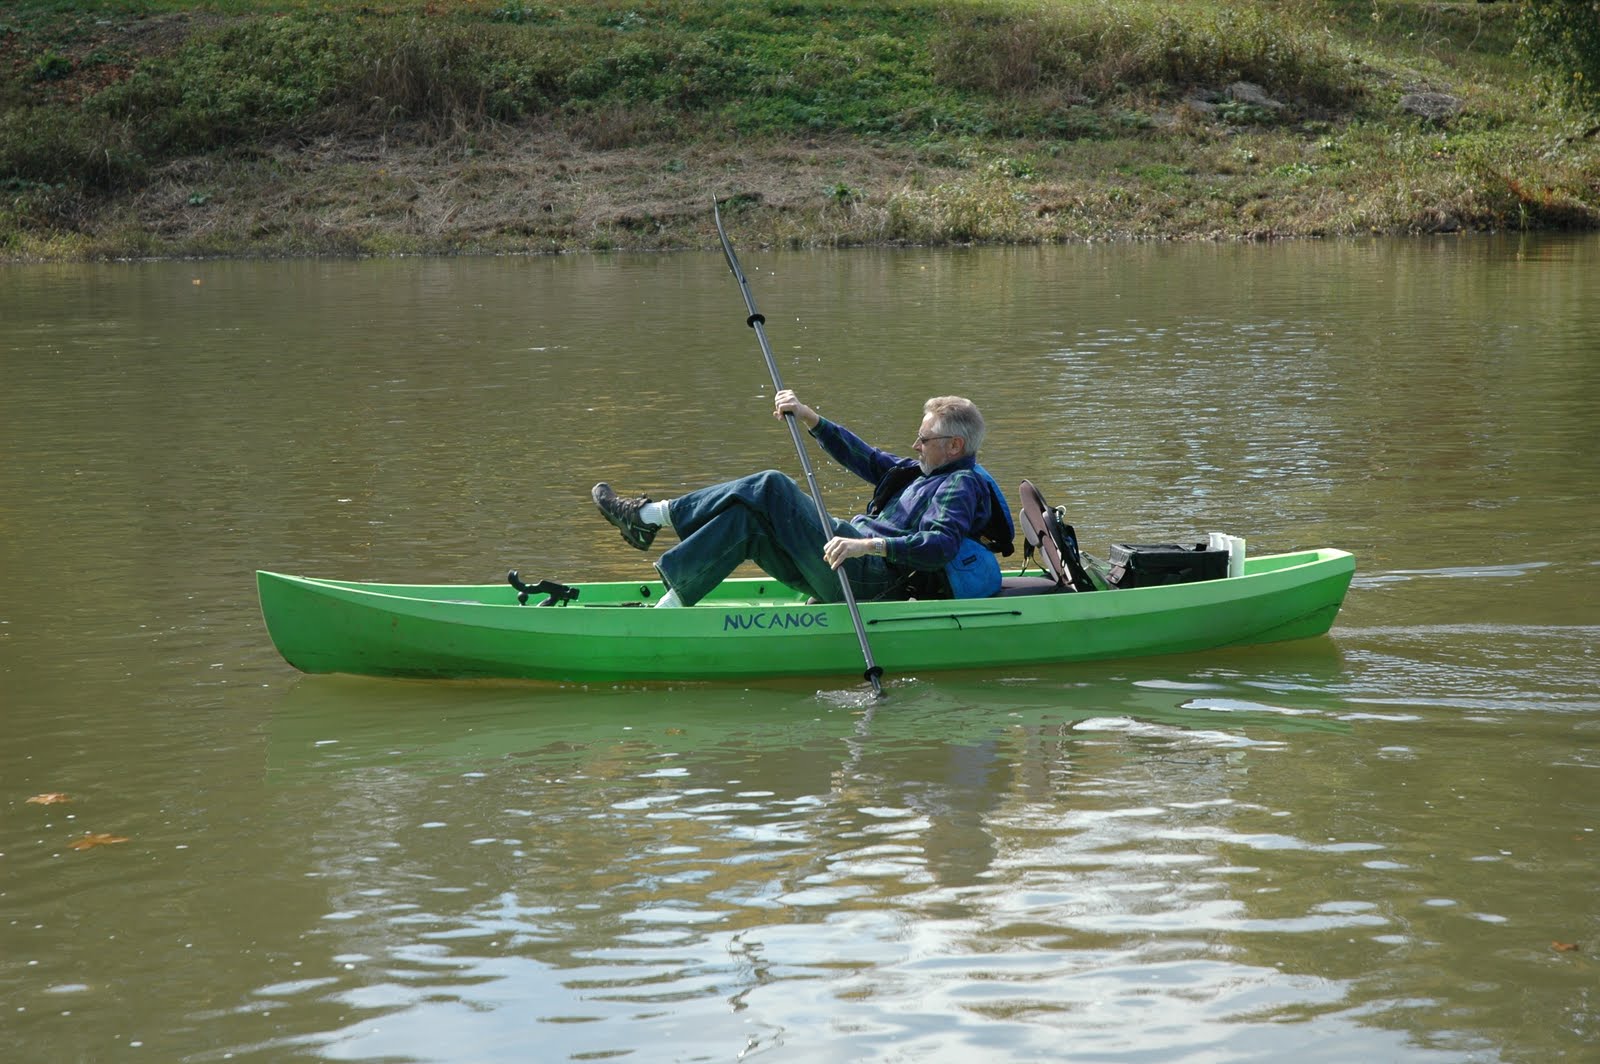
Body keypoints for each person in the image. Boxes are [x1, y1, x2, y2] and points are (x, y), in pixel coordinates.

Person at [591, 390, 1013, 607]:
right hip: (847, 560)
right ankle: (670, 608)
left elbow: (940, 546)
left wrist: (868, 544)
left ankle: (649, 516)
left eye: (925, 438)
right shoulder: (919, 471)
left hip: (873, 577)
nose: (916, 444)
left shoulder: (960, 485)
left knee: (771, 486)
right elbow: (864, 456)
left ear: (954, 446)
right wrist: (808, 416)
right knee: (748, 523)